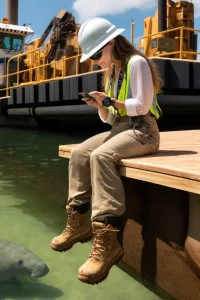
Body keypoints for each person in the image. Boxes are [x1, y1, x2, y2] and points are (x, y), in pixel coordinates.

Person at [50, 17, 163, 285]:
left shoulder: (137, 63)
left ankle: (107, 240)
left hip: (143, 131)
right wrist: (100, 106)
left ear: (111, 43)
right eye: (93, 57)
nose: (96, 60)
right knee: (79, 153)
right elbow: (112, 119)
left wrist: (110, 100)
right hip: (121, 129)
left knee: (101, 156)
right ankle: (78, 222)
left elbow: (143, 107)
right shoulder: (112, 71)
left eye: (98, 54)